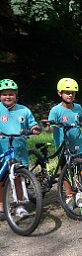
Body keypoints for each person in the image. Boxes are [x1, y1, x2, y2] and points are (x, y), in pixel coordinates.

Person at [46, 78, 82, 209]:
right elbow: (51, 125)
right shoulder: (56, 110)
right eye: (66, 92)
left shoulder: (78, 107)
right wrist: (50, 126)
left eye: (72, 92)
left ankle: (79, 192)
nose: (70, 95)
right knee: (67, 172)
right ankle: (69, 196)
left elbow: (80, 119)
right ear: (60, 93)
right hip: (63, 146)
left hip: (78, 144)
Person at [0, 79, 40, 220]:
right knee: (2, 179)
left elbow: (32, 124)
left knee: (18, 177)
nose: (8, 97)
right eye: (4, 94)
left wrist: (35, 129)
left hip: (19, 150)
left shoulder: (24, 110)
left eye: (11, 94)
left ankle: (20, 205)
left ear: (16, 95)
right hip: (2, 149)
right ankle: (1, 205)